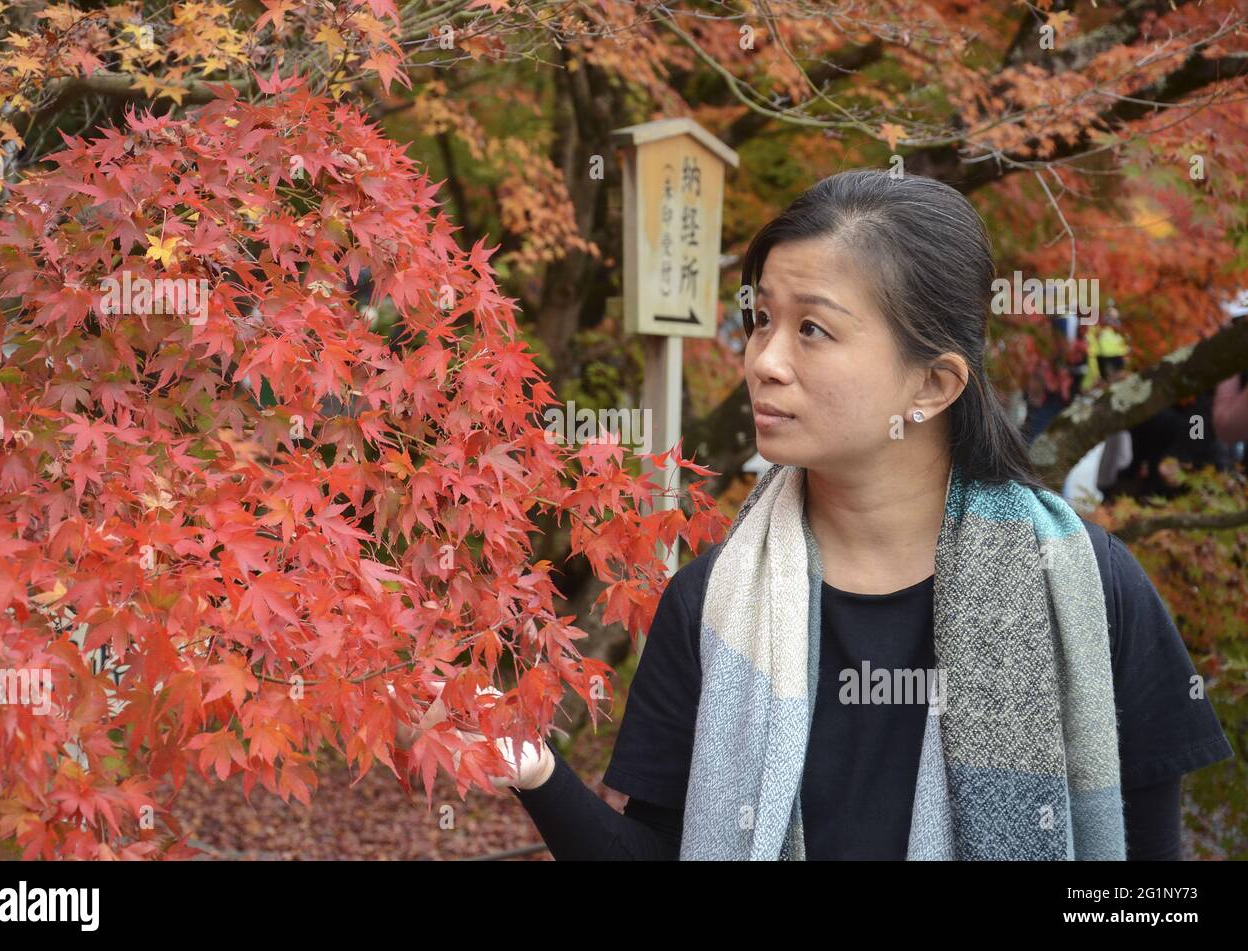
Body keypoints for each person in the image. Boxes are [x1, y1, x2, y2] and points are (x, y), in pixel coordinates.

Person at [427, 170, 1234, 860]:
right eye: (762, 319)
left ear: (934, 384)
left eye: (812, 328)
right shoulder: (713, 603)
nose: (763, 361)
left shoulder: (1090, 590)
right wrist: (535, 771)